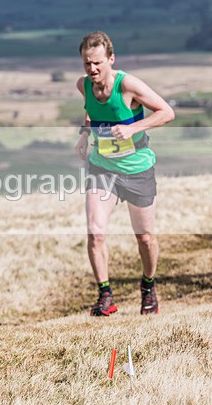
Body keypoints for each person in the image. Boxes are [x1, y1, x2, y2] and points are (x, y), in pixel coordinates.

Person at [73, 31, 175, 316]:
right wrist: (84, 134)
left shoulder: (127, 85)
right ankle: (105, 295)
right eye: (86, 64)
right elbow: (91, 113)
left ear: (111, 59)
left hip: (137, 168)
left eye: (97, 63)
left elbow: (167, 112)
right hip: (102, 167)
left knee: (144, 238)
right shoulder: (84, 86)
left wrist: (133, 128)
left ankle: (148, 286)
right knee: (95, 233)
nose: (92, 69)